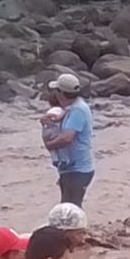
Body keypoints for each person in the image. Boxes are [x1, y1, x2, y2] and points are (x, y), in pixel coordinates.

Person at [42, 74, 96, 207]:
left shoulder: (78, 110)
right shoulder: (72, 108)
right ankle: (72, 227)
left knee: (70, 206)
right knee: (69, 206)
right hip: (72, 167)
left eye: (56, 90)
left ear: (61, 93)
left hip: (78, 169)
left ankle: (74, 227)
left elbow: (67, 138)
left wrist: (49, 145)